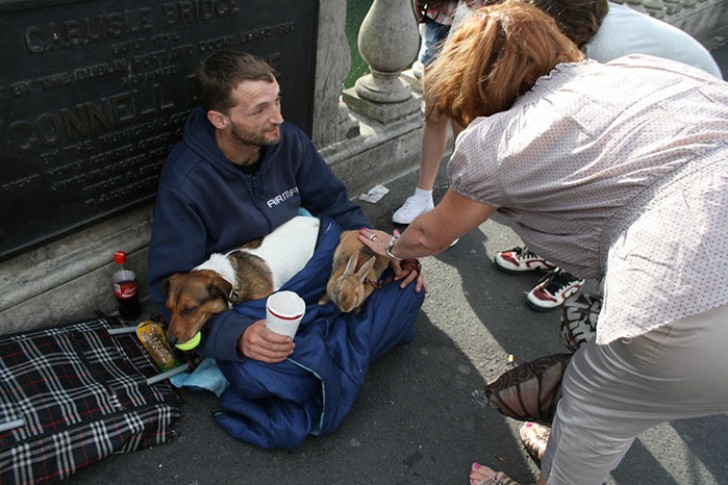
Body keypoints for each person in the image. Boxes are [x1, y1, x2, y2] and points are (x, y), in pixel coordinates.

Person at [357, 3, 728, 483]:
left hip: (697, 299)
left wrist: (391, 249)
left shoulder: (499, 140)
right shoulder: (633, 69)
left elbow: (431, 233)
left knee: (592, 402)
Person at [147, 50, 425, 448]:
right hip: (250, 297)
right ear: (220, 119)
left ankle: (318, 359)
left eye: (276, 101)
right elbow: (167, 287)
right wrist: (238, 335)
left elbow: (334, 204)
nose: (277, 116)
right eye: (260, 109)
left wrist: (378, 249)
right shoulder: (186, 181)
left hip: (311, 257)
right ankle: (329, 350)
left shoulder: (286, 140)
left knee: (408, 289)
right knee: (259, 368)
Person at [491, 0, 723, 311]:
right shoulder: (580, 29)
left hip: (692, 123)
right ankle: (548, 252)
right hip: (659, 101)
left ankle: (573, 270)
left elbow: (585, 141)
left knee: (595, 186)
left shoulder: (598, 57)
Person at [392, 0, 464, 225]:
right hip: (440, 18)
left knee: (465, 122)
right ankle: (423, 196)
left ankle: (457, 209)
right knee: (434, 114)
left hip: (478, 19)